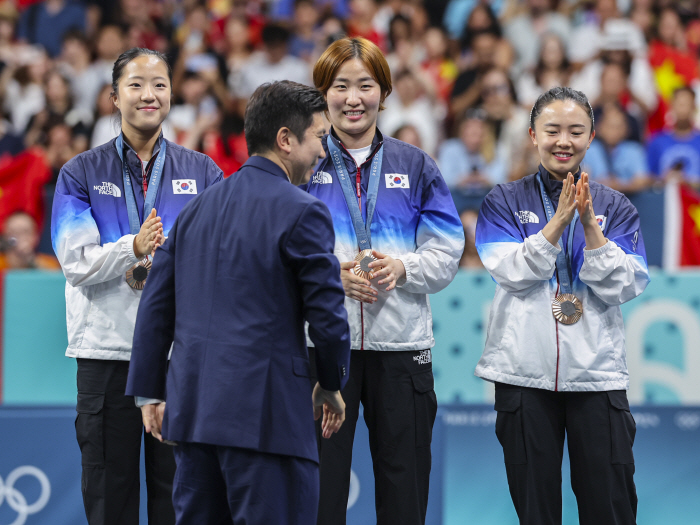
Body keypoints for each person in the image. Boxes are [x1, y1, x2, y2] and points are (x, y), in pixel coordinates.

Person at [125, 80, 351, 524]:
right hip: (266, 421)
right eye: (320, 138)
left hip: (194, 418)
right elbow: (327, 317)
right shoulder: (303, 211)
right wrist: (331, 381)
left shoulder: (195, 210)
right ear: (286, 140)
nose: (324, 152)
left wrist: (149, 389)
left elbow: (155, 306)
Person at [51, 47, 223, 525]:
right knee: (109, 497)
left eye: (160, 85)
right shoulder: (80, 173)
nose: (149, 94)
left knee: (182, 499)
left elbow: (219, 261)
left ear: (171, 94)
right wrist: (133, 247)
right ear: (113, 96)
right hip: (106, 357)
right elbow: (75, 262)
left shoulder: (204, 173)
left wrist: (158, 261)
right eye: (136, 85)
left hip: (178, 358)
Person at [307, 37, 465, 525]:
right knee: (318, 490)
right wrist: (330, 275)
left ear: (384, 91)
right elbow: (270, 254)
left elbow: (446, 251)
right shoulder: (300, 165)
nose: (353, 99)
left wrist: (403, 268)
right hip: (322, 350)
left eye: (365, 86)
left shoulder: (416, 165)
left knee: (405, 488)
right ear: (322, 93)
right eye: (340, 86)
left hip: (401, 351)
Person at [474, 87, 650, 525]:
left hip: (597, 376)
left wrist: (590, 226)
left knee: (610, 507)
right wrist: (558, 224)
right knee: (536, 510)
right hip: (523, 374)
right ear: (533, 135)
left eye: (575, 131)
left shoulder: (616, 207)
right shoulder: (503, 200)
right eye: (552, 130)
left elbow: (625, 285)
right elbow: (509, 272)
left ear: (591, 138)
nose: (563, 141)